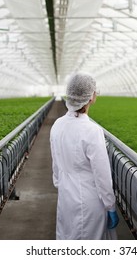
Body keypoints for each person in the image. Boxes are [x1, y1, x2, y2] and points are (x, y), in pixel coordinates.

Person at [50, 73, 119, 240]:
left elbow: (56, 166)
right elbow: (101, 174)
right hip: (88, 200)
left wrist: (62, 183)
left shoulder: (57, 124)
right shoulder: (91, 130)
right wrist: (110, 205)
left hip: (66, 196)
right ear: (90, 97)